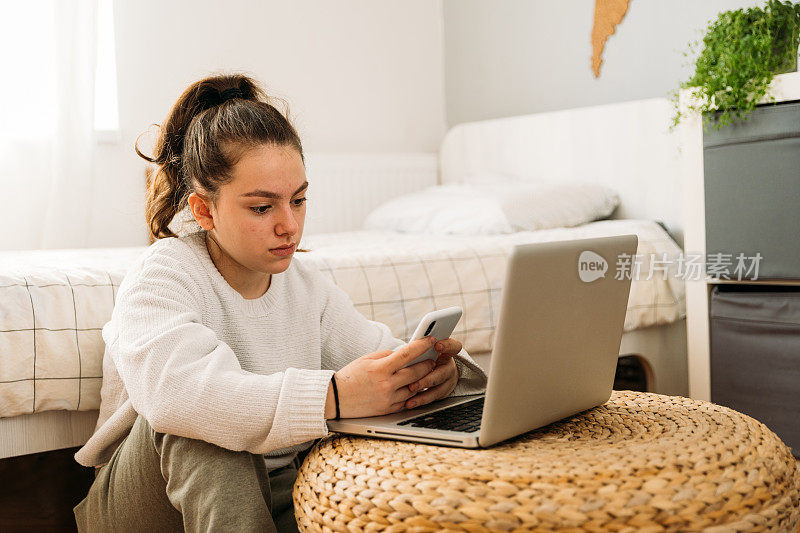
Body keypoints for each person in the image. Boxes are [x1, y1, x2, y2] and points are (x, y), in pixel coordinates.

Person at [72, 72, 488, 532]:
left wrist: (433, 375)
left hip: (268, 496)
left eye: (299, 200)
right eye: (261, 207)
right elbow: (178, 399)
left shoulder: (307, 289)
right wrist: (334, 395)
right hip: (143, 509)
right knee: (204, 431)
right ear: (205, 210)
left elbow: (378, 351)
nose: (289, 225)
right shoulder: (162, 276)